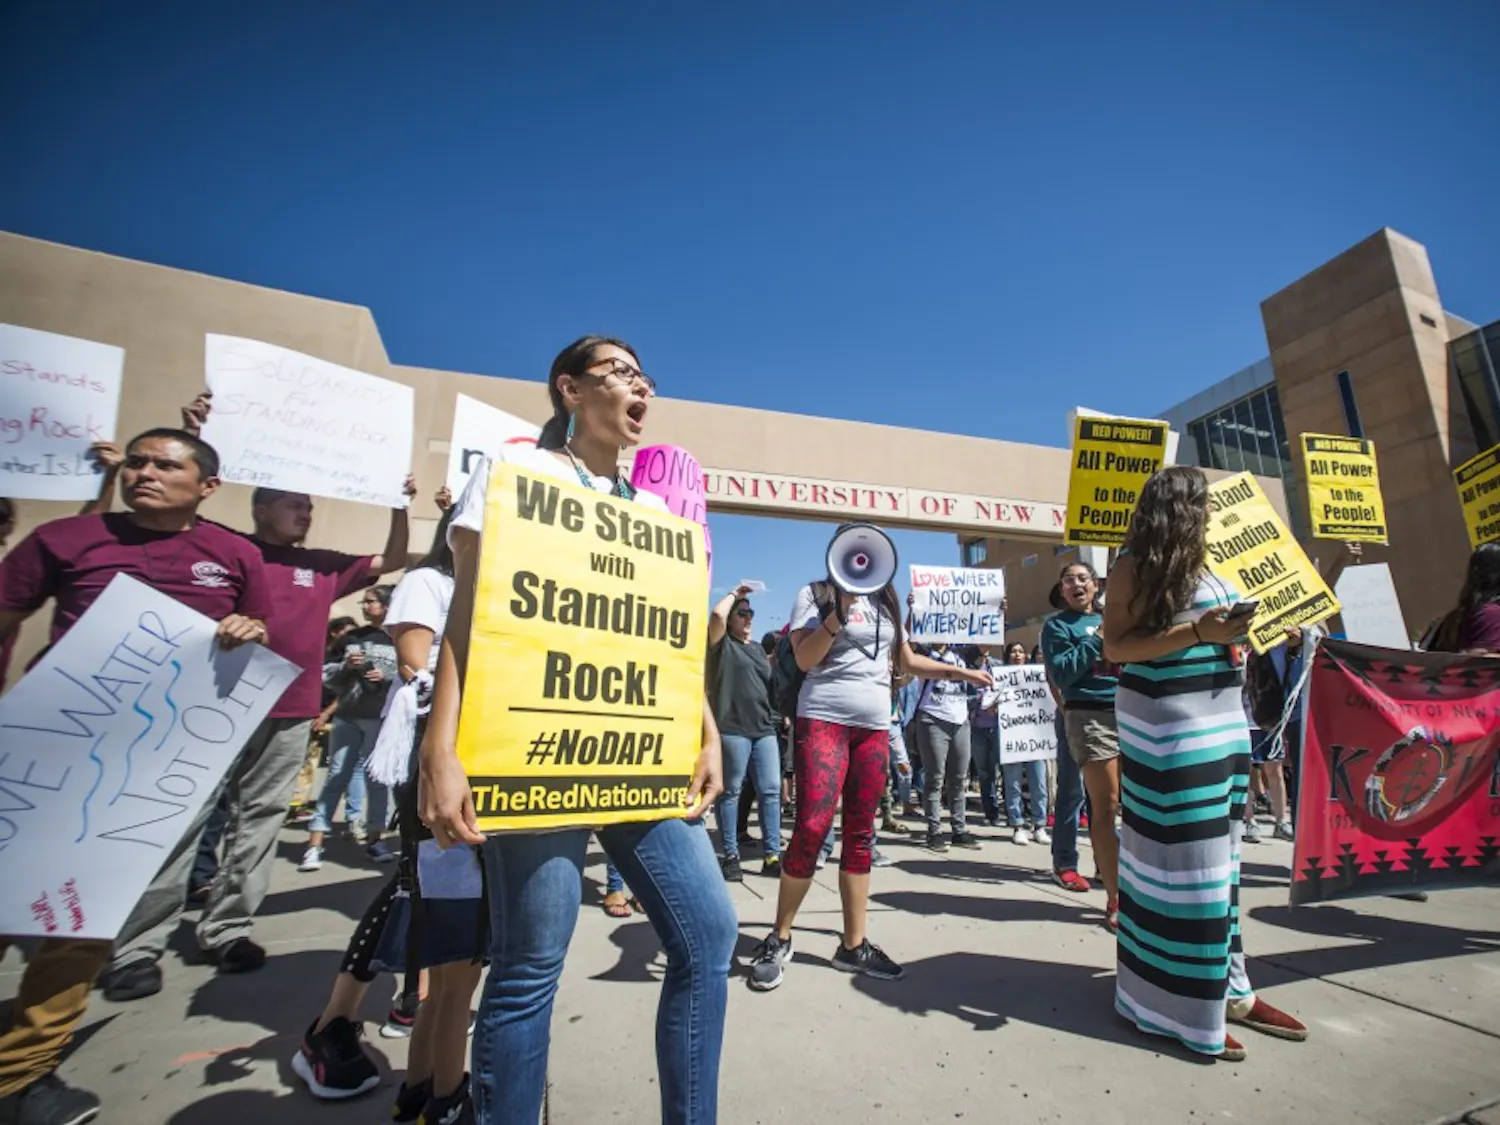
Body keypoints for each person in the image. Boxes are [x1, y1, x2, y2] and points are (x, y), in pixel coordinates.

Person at [419, 335, 737, 1125]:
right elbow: (467, 615)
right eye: (621, 374)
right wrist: (441, 747)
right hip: (533, 749)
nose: (640, 389)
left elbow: (665, 639)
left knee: (708, 934)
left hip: (642, 755)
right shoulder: (512, 473)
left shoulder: (658, 513)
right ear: (570, 389)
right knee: (530, 966)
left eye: (644, 377)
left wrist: (702, 729)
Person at [0, 427, 273, 1124]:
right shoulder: (66, 539)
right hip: (47, 742)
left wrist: (248, 630)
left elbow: (259, 629)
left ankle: (22, 1074)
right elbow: (7, 616)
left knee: (77, 917)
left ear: (207, 485)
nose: (145, 473)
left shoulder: (233, 553)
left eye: (165, 464)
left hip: (143, 763)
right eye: (139, 462)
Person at [1104, 466, 1307, 1062]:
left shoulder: (1209, 565)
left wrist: (1266, 633)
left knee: (1222, 869)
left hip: (1223, 728)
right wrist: (1198, 630)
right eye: (1204, 505)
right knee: (1184, 869)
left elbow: (1216, 632)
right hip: (1170, 733)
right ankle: (1172, 1005)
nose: (1213, 514)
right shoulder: (1131, 566)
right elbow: (1116, 645)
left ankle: (1231, 988)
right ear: (1180, 509)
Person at [294, 513, 486, 1124]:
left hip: (485, 765)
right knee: (436, 921)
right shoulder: (432, 581)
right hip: (440, 767)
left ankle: (421, 1076)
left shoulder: (505, 582)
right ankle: (432, 1084)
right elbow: (416, 664)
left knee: (453, 946)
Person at [747, 557, 992, 991]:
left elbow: (905, 660)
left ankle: (853, 946)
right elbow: (804, 658)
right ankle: (779, 936)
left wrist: (960, 672)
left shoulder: (886, 600)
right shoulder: (816, 594)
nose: (861, 564)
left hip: (874, 729)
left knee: (861, 833)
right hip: (823, 721)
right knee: (811, 826)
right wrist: (839, 613)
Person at [301, 585, 400, 868]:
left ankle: (375, 838)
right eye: (364, 602)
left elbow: (414, 677)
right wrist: (345, 667)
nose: (365, 607)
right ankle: (315, 843)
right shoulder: (352, 638)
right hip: (347, 714)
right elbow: (326, 675)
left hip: (380, 718)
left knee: (377, 781)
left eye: (370, 602)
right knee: (336, 775)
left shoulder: (402, 638)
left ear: (386, 605)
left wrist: (388, 676)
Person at [1041, 562, 1120, 917]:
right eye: (1068, 580)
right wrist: (1097, 639)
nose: (1076, 584)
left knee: (1123, 804)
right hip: (1084, 716)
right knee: (1084, 796)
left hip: (1129, 715)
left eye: (1082, 578)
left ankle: (1110, 868)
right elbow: (1062, 672)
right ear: (1061, 589)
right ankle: (1066, 864)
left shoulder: (1115, 616)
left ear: (1096, 585)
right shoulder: (1056, 626)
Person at [707, 586, 783, 880]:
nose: (749, 618)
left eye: (751, 613)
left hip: (764, 731)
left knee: (771, 791)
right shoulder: (721, 645)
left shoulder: (756, 650)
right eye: (742, 613)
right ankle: (730, 855)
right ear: (731, 619)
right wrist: (734, 593)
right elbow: (715, 614)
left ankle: (772, 855)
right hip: (733, 730)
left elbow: (768, 689)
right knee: (731, 792)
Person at [908, 612, 983, 853]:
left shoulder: (961, 654)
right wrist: (912, 611)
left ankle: (959, 830)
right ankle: (934, 831)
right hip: (932, 718)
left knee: (959, 778)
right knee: (935, 777)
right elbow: (905, 643)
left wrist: (998, 611)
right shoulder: (923, 653)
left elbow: (986, 644)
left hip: (960, 719)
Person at [994, 642, 1050, 845]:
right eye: (1013, 652)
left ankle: (1039, 825)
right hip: (1012, 736)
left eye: (1020, 651)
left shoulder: (1038, 676)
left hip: (1035, 737)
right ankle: (1017, 824)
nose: (1017, 655)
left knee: (1039, 782)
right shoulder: (1001, 678)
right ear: (1008, 656)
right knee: (1013, 782)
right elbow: (988, 703)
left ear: (1026, 655)